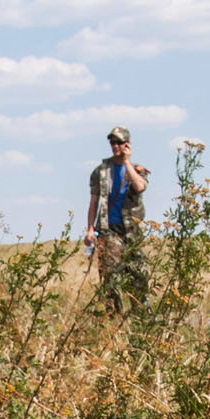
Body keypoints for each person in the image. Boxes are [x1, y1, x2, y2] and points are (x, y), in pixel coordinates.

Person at [83, 126, 153, 310]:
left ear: (127, 144)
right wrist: (90, 229)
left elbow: (139, 187)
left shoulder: (138, 169)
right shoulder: (101, 171)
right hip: (109, 230)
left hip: (132, 231)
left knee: (139, 276)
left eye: (119, 142)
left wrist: (127, 162)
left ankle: (142, 318)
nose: (115, 146)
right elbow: (94, 202)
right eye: (113, 142)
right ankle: (112, 321)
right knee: (110, 277)